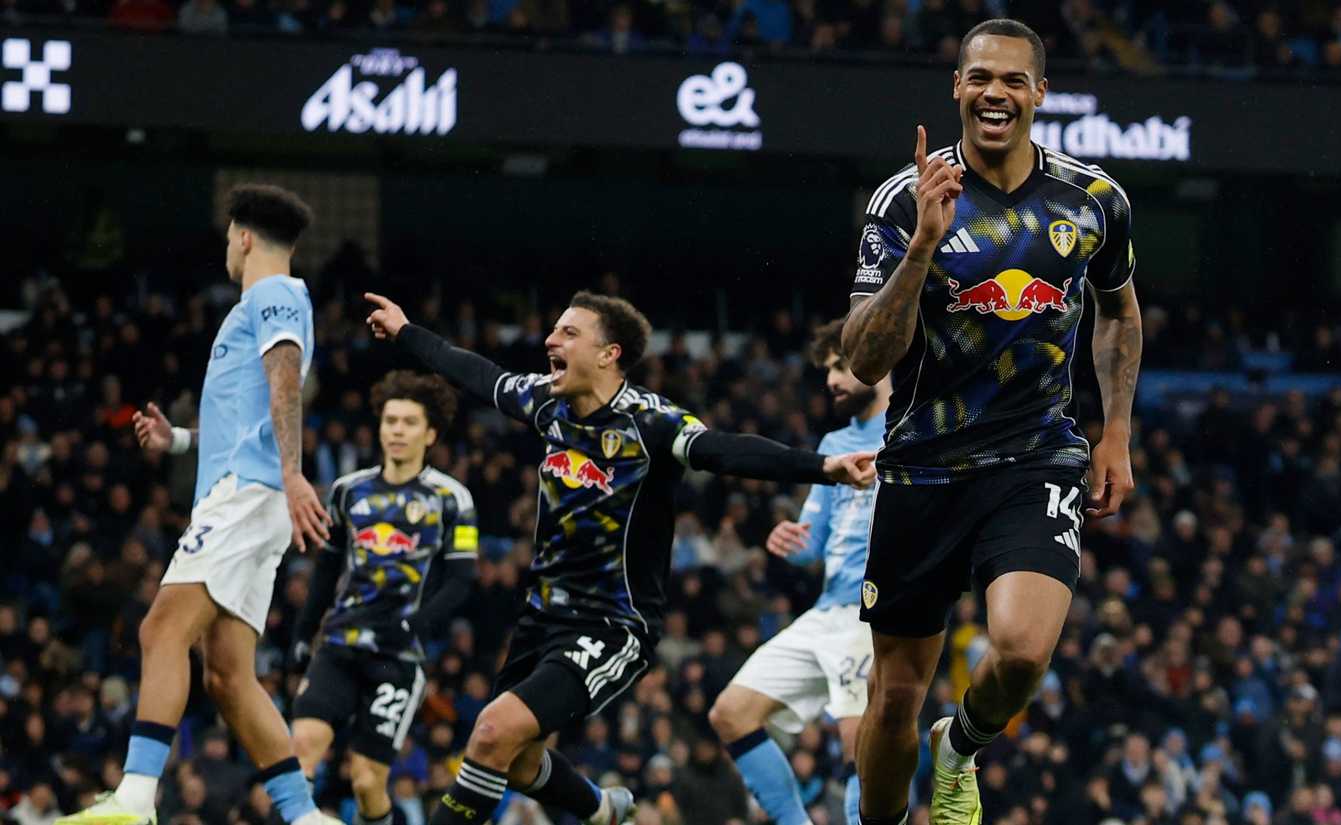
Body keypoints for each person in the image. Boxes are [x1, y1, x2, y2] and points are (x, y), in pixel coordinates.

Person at [361, 291, 877, 825]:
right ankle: (603, 810)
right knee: (516, 762)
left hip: (612, 622)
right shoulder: (546, 402)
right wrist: (405, 332)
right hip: (541, 618)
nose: (549, 341)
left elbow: (726, 449)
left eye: (568, 333)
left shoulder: (650, 423)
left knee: (492, 731)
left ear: (608, 354)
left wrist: (823, 468)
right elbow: (472, 371)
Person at [840, 18, 1142, 825]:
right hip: (923, 466)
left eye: (1013, 80)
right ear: (956, 88)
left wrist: (1114, 433)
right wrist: (920, 251)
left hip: (1034, 455)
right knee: (894, 697)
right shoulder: (905, 200)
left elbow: (1118, 310)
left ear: (1040, 93)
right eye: (979, 78)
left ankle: (962, 743)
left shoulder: (1093, 199)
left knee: (1020, 649)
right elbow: (864, 359)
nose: (995, 93)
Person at [58, 185, 340, 825]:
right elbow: (250, 414)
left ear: (242, 236)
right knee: (228, 676)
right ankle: (305, 817)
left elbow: (286, 379)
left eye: (227, 238)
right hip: (249, 491)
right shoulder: (269, 302)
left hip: (246, 495)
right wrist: (179, 438)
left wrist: (294, 476)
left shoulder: (271, 296)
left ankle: (134, 801)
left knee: (160, 629)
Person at [707, 318, 891, 825]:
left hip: (876, 612)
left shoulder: (913, 427)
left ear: (878, 357)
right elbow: (814, 542)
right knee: (730, 713)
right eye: (827, 370)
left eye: (840, 365)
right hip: (826, 610)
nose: (831, 380)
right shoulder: (833, 444)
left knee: (858, 741)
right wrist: (790, 540)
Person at [289, 371, 480, 825]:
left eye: (409, 422)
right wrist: (303, 630)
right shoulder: (347, 491)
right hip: (337, 646)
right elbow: (327, 568)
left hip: (397, 656)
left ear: (430, 433)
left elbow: (460, 582)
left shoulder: (453, 499)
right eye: (390, 420)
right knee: (298, 758)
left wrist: (416, 624)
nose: (397, 430)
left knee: (367, 780)